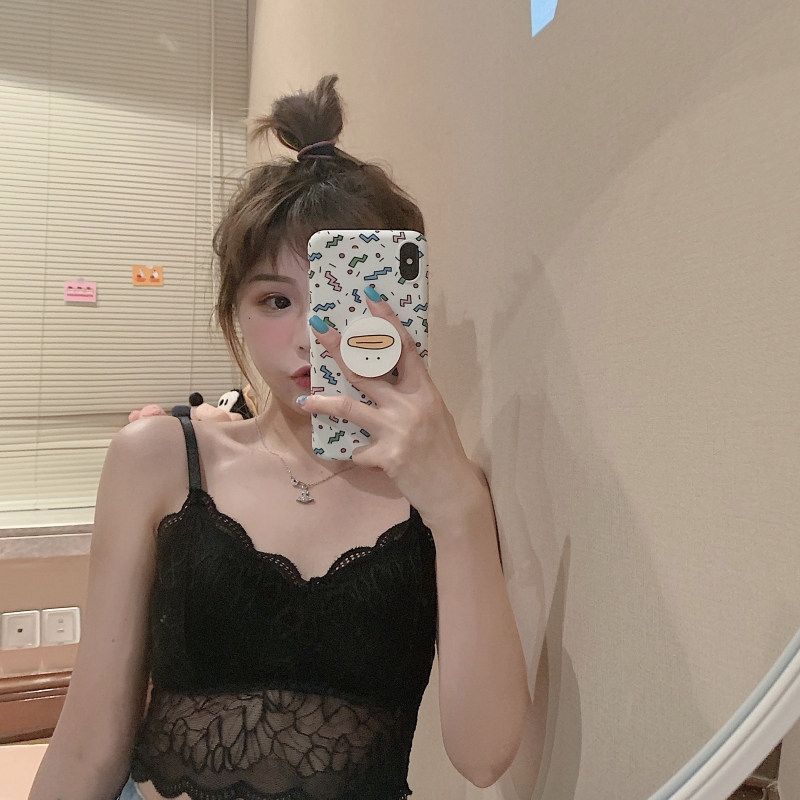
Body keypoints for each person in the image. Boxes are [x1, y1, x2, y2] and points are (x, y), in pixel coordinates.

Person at [28, 75, 531, 800]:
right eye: (275, 300)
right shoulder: (158, 459)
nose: (308, 336)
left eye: (341, 299)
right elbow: (87, 746)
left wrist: (458, 509)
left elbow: (484, 758)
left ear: (399, 308)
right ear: (234, 312)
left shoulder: (445, 495)